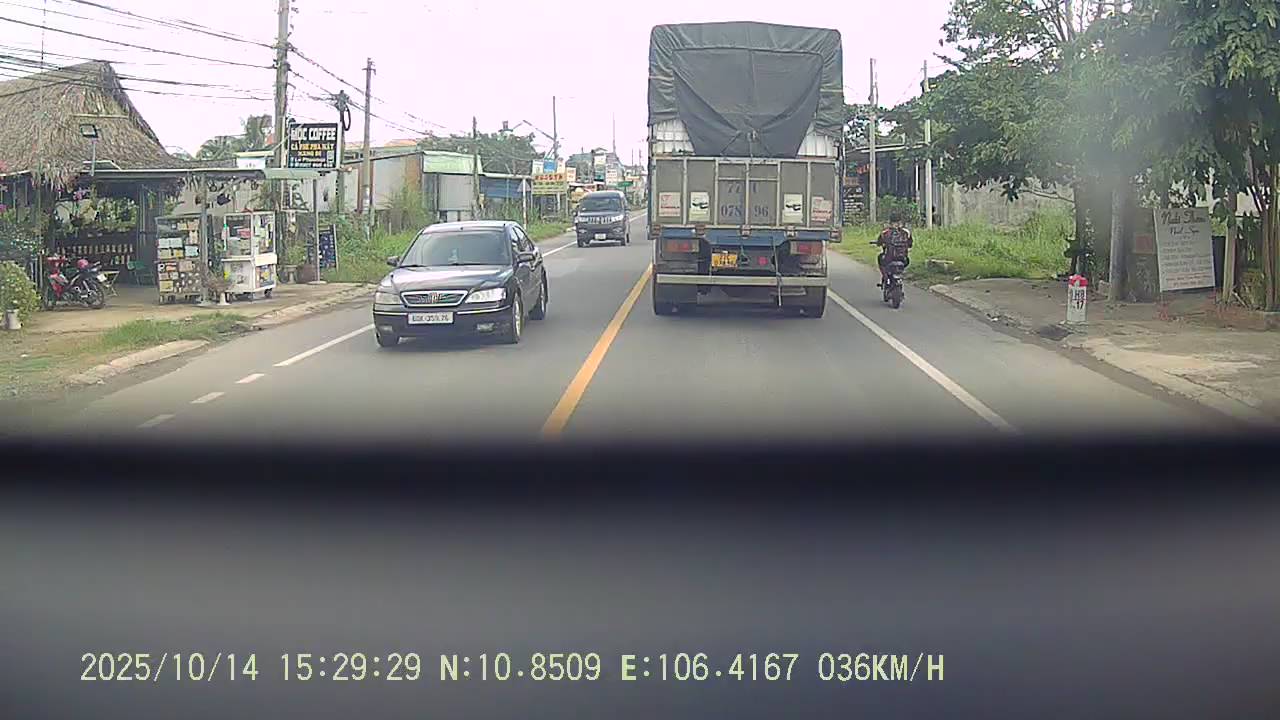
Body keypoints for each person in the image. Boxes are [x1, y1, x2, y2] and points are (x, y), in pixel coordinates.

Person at [873, 211, 913, 286]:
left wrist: (879, 243)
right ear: (901, 221)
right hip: (903, 259)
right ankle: (900, 273)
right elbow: (910, 244)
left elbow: (879, 242)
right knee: (907, 260)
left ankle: (885, 277)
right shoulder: (906, 232)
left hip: (888, 258)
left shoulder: (885, 232)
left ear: (890, 222)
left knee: (880, 258)